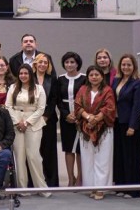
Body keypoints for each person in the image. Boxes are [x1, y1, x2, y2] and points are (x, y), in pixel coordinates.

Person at [6, 65, 50, 197]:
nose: (23, 76)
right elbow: (8, 106)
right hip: (16, 124)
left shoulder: (39, 89)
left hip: (33, 124)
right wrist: (17, 122)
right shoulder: (13, 87)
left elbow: (41, 109)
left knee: (33, 156)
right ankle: (22, 189)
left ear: (31, 75)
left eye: (26, 73)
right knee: (19, 156)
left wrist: (27, 122)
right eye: (21, 73)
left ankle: (42, 188)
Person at [74, 64, 117, 200]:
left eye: (97, 75)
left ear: (102, 76)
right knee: (87, 160)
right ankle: (91, 187)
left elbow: (109, 108)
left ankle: (101, 189)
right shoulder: (83, 89)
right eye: (91, 75)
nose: (94, 77)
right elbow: (77, 106)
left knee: (102, 160)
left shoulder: (108, 90)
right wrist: (88, 117)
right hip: (86, 129)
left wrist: (96, 119)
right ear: (88, 77)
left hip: (103, 130)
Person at [113, 53, 140, 198]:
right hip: (117, 122)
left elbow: (137, 106)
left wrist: (132, 126)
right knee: (119, 155)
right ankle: (121, 186)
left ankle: (133, 190)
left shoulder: (138, 82)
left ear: (134, 66)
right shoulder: (117, 80)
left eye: (129, 65)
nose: (126, 67)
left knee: (131, 157)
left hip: (130, 125)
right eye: (123, 64)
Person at [56, 51, 86, 187]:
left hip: (81, 117)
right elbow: (58, 100)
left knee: (79, 149)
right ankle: (70, 178)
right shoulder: (60, 79)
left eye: (72, 62)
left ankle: (80, 178)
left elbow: (86, 98)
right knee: (68, 148)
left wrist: (78, 114)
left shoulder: (84, 78)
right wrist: (66, 114)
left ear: (77, 64)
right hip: (66, 118)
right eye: (67, 62)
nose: (69, 64)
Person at [33, 53, 59, 188]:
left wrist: (46, 116)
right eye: (40, 62)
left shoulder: (52, 79)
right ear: (35, 64)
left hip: (48, 120)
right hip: (32, 119)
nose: (43, 64)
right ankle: (34, 182)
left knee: (49, 151)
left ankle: (52, 182)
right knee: (34, 151)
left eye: (45, 63)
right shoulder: (29, 77)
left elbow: (54, 99)